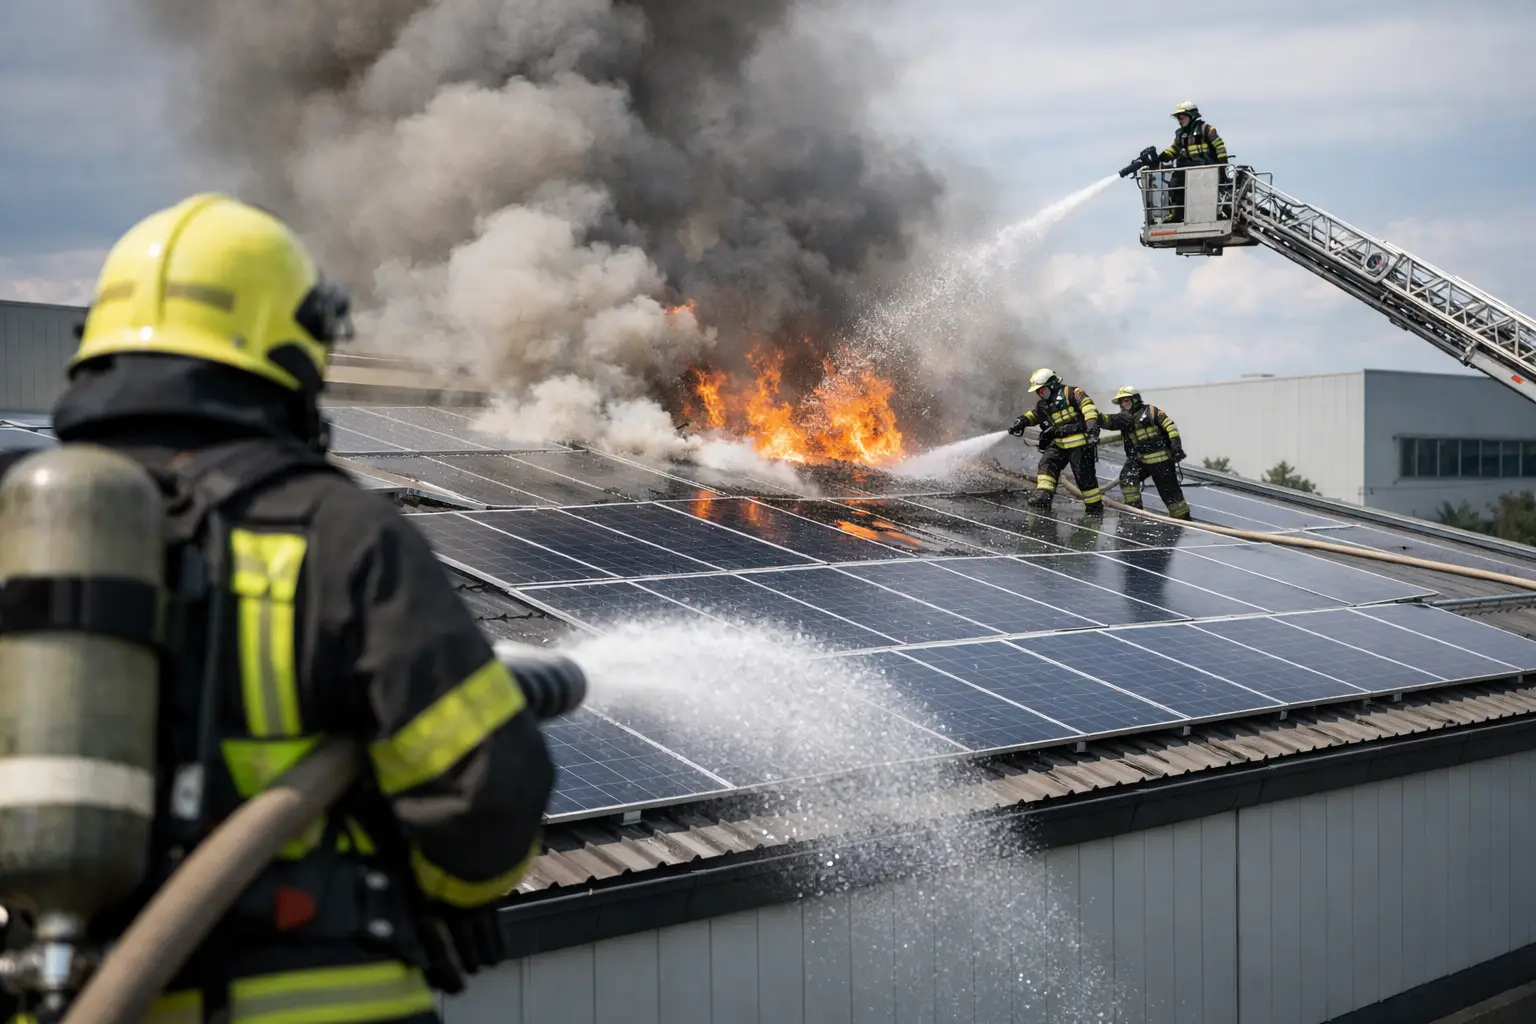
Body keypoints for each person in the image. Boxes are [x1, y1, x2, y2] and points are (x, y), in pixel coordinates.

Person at [0, 193, 557, 1023]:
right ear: (289, 348)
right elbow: (486, 796)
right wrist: (443, 892)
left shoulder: (20, 519)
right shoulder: (336, 532)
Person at [1007, 368, 1103, 513]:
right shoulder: (1044, 405)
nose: (1039, 393)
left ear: (1051, 385)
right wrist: (1021, 421)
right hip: (1059, 444)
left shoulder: (1073, 393)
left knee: (1085, 478)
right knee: (1047, 463)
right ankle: (1043, 495)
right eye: (1037, 391)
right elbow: (1035, 415)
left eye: (1041, 390)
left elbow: (1088, 408)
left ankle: (1094, 507)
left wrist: (1091, 427)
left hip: (1081, 444)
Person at [1121, 101, 1229, 223]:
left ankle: (1217, 211)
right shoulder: (1180, 134)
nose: (1179, 121)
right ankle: (1176, 213)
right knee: (1175, 182)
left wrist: (1222, 166)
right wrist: (1158, 158)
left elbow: (1220, 147)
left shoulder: (1207, 130)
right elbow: (1173, 151)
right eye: (1178, 118)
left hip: (1207, 169)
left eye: (1182, 117)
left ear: (1191, 115)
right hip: (1190, 170)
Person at [1103, 385, 1191, 520]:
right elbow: (1109, 422)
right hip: (1140, 459)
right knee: (1127, 477)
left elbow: (1169, 425)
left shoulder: (1151, 411)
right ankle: (1134, 512)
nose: (1124, 404)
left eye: (1127, 400)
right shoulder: (1124, 418)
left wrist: (1175, 444)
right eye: (1122, 402)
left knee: (1169, 491)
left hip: (1160, 459)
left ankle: (1182, 517)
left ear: (1135, 399)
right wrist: (1094, 419)